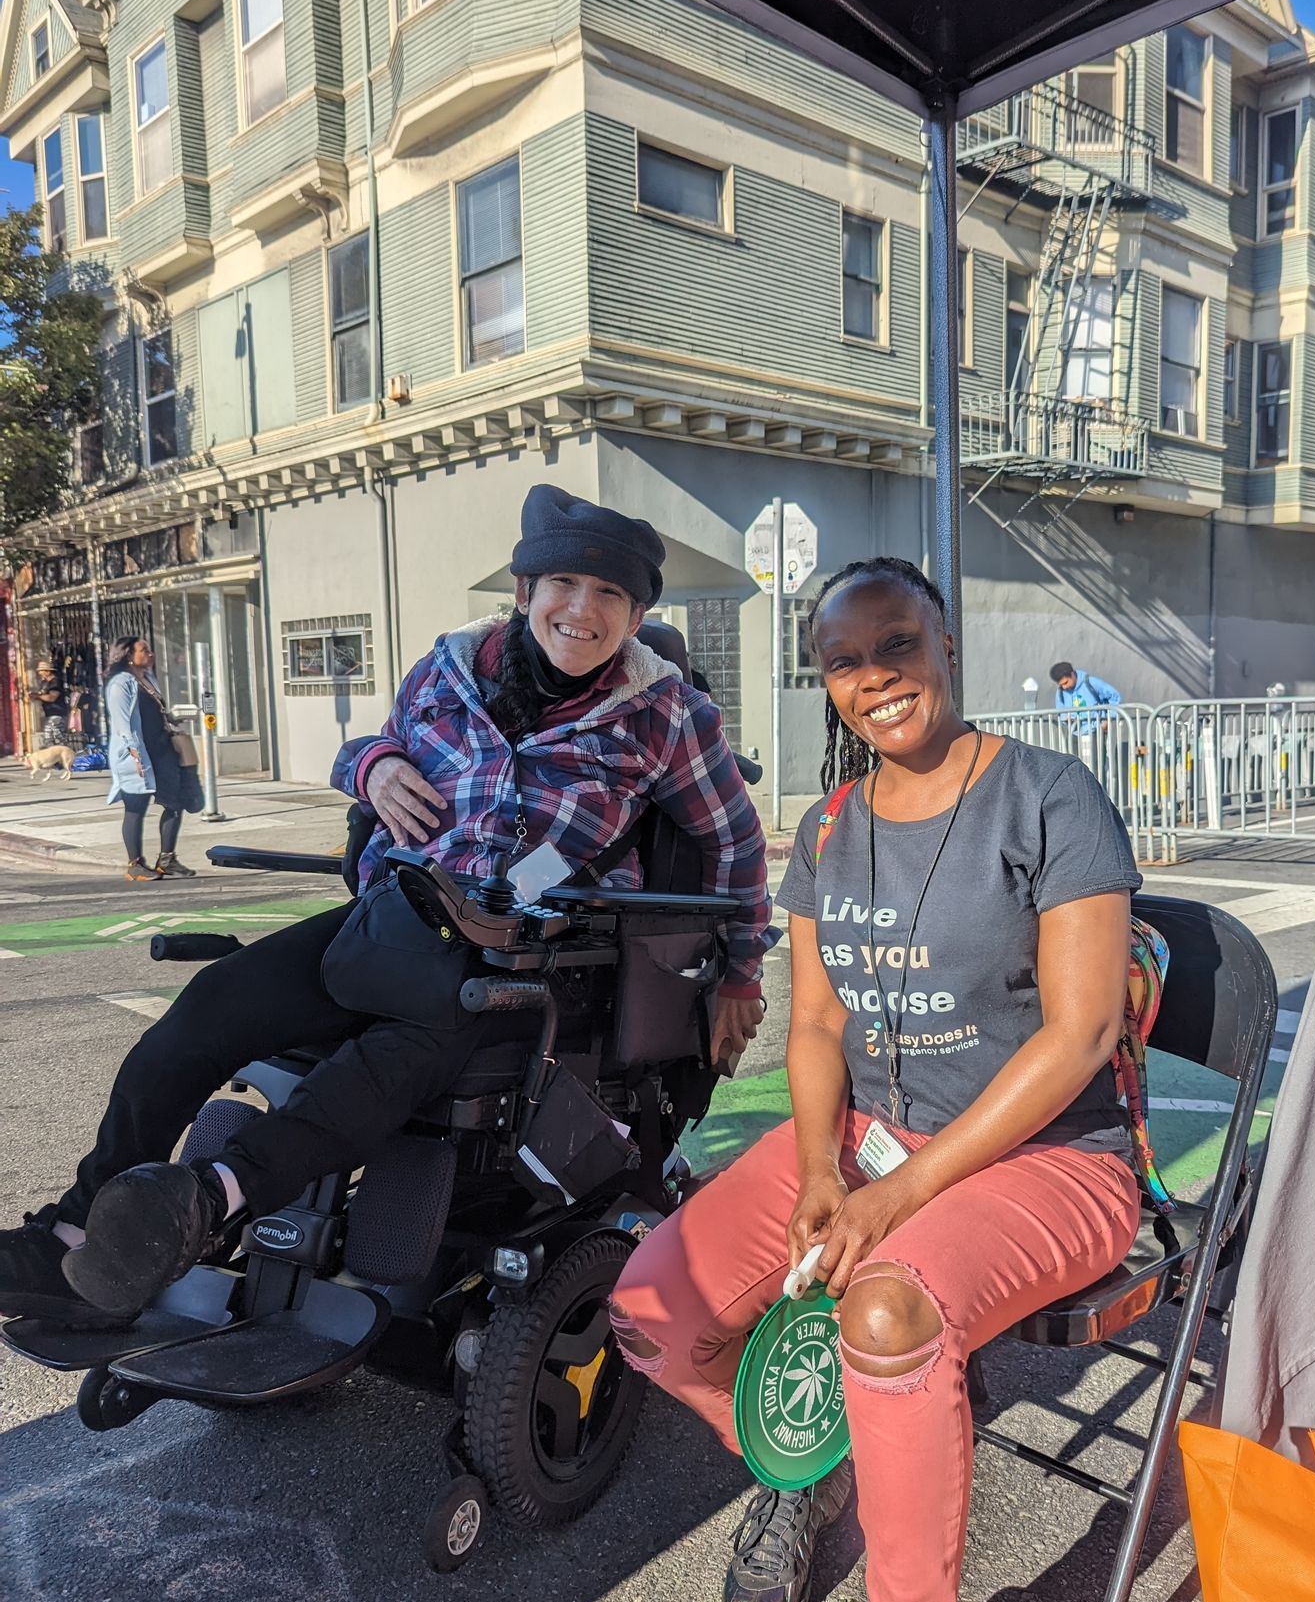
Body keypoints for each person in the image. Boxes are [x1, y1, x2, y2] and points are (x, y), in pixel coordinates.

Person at [0, 487, 771, 1331]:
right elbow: (375, 744)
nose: (582, 610)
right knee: (209, 1006)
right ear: (524, 591)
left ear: (635, 617)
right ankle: (73, 1232)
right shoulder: (448, 670)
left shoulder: (665, 715)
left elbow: (734, 844)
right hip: (400, 918)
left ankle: (208, 1200)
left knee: (391, 1058)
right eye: (564, 584)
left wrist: (738, 976)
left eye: (610, 594)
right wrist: (371, 766)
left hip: (535, 948)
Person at [610, 557, 1143, 1602]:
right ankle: (821, 1469)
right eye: (843, 662)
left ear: (944, 642)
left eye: (896, 644)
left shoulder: (1050, 797)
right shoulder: (830, 827)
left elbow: (1079, 1036)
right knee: (651, 1310)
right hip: (870, 1138)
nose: (875, 678)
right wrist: (819, 1172)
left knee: (889, 1313)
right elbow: (814, 1026)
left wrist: (896, 1195)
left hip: (1053, 1157)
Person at [103, 636, 203, 881]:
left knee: (175, 802)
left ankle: (167, 859)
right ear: (128, 655)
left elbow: (156, 711)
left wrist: (172, 719)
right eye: (144, 650)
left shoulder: (148, 678)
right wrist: (134, 754)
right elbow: (122, 723)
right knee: (135, 808)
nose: (150, 654)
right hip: (137, 754)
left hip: (162, 750)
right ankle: (135, 864)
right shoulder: (120, 683)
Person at [1049, 660, 1122, 728]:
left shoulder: (1091, 682)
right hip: (1075, 733)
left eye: (1066, 682)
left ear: (1072, 674)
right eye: (1061, 684)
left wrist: (1108, 719)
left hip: (1097, 730)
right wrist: (1066, 719)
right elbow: (1061, 712)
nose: (1064, 687)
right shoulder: (1060, 691)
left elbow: (1114, 696)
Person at [26, 660, 67, 740]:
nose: (39, 673)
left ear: (48, 671)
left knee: (57, 737)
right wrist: (34, 695)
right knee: (49, 738)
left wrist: (37, 696)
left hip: (57, 714)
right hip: (49, 714)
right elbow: (42, 694)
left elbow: (52, 697)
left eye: (41, 671)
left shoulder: (55, 682)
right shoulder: (44, 683)